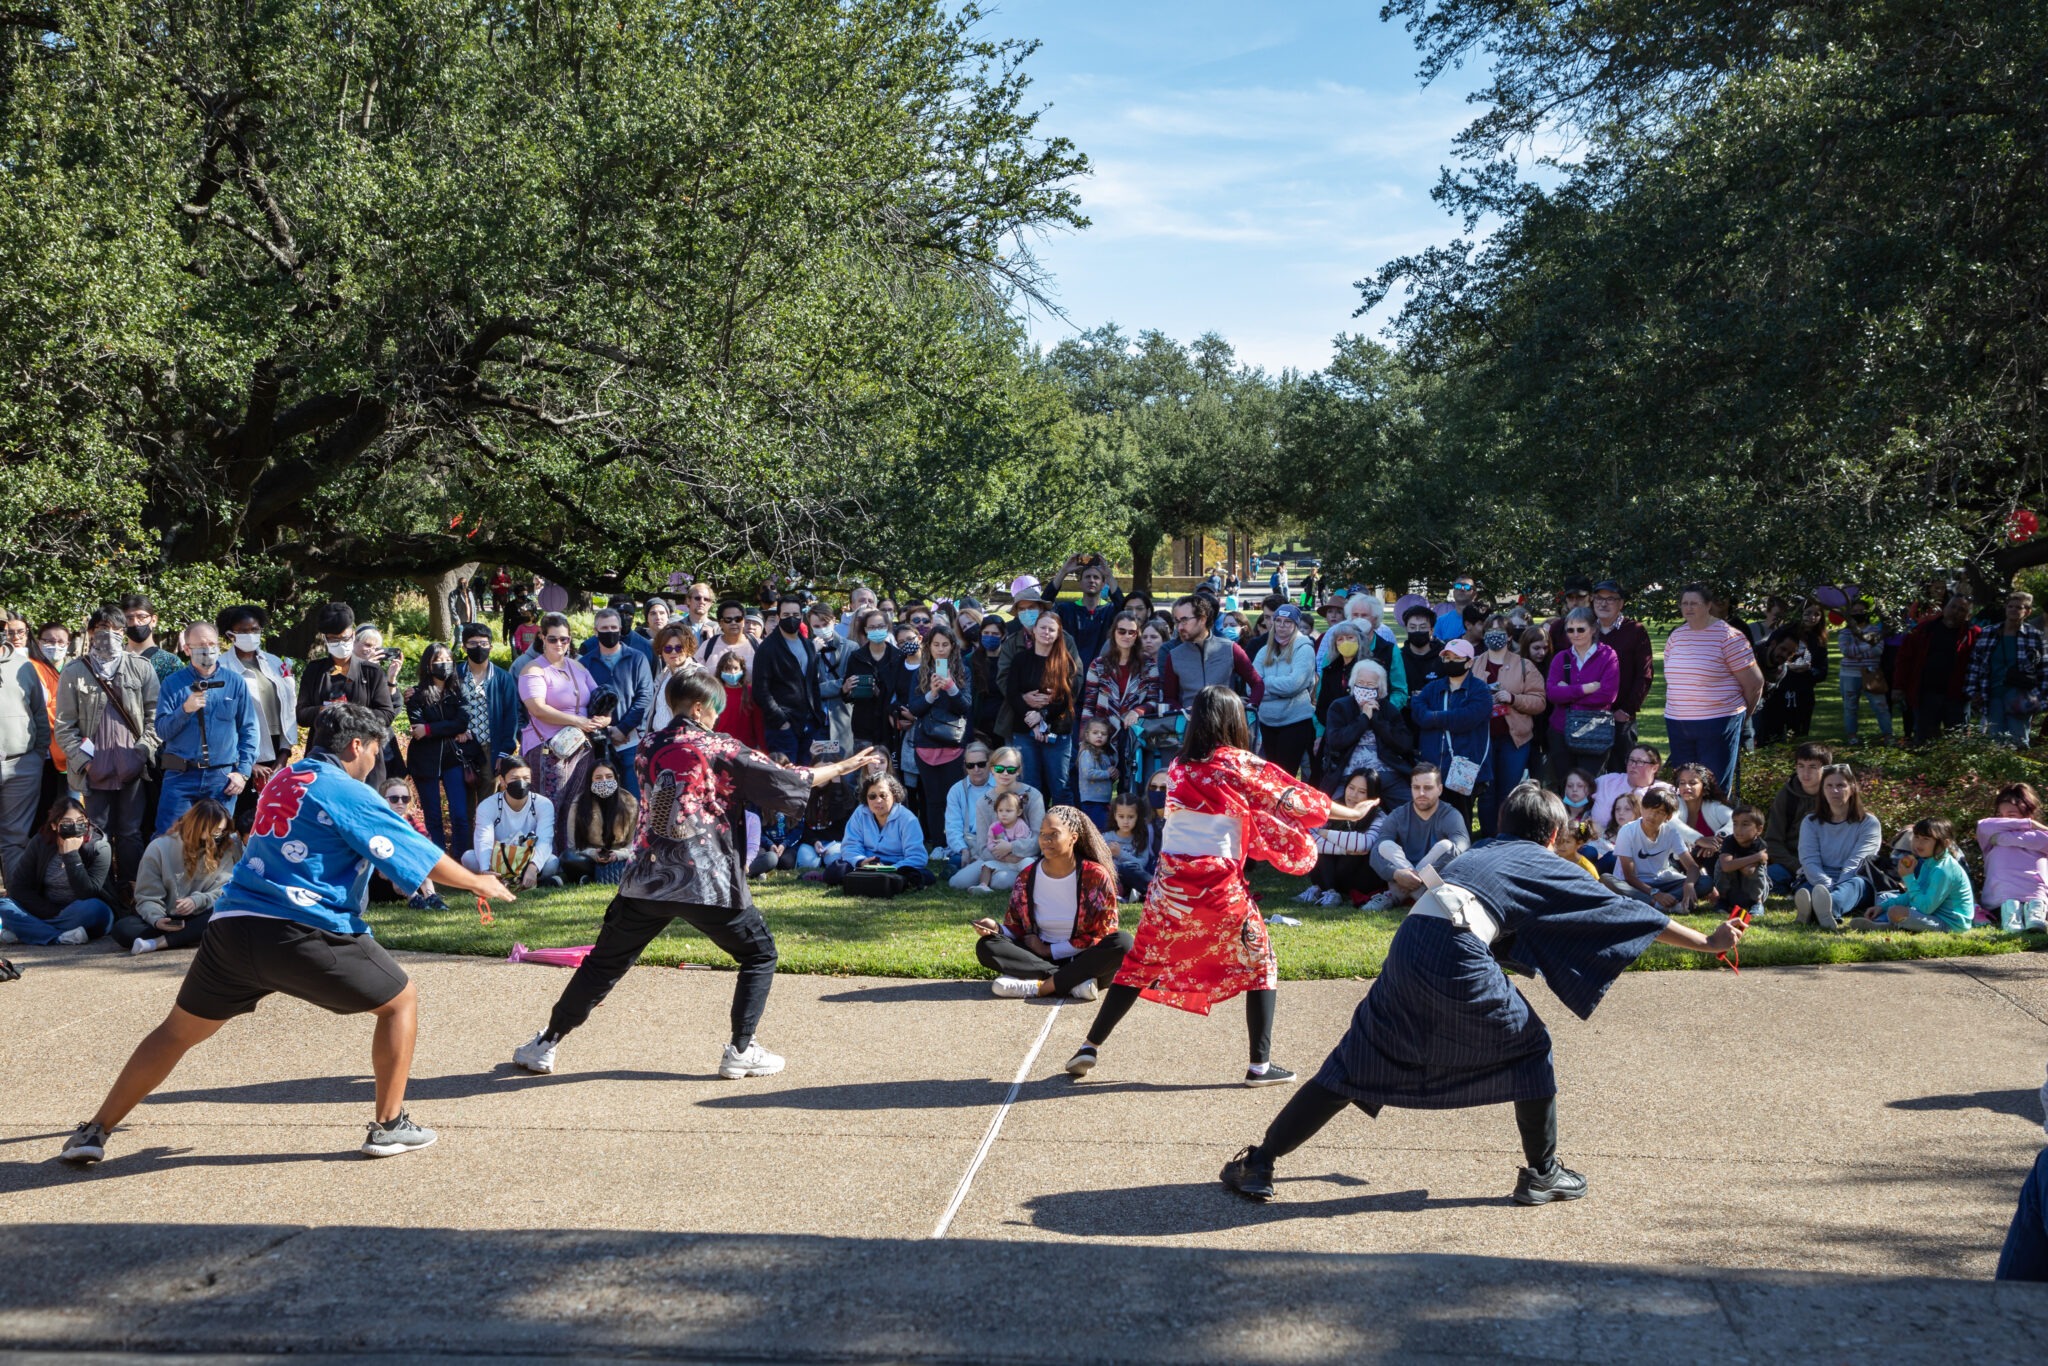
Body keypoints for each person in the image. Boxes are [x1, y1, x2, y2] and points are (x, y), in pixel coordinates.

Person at [1219, 782, 1746, 1205]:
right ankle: (1543, 1174)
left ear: (1503, 825)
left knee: (1356, 1059)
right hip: (1456, 944)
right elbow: (1629, 912)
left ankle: (1259, 1164)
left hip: (1412, 941)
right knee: (1530, 1047)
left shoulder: (1485, 851)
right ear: (1553, 832)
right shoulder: (1543, 861)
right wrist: (1709, 942)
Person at [59, 704, 516, 1165]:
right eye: (375, 752)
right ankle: (390, 1126)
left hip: (232, 929)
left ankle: (94, 1131)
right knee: (400, 1001)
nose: (376, 763)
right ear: (356, 746)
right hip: (302, 927)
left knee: (177, 1032)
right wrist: (479, 881)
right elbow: (411, 849)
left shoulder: (286, 776)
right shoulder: (344, 789)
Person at [510, 671, 882, 1080]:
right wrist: (844, 765)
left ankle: (545, 1043)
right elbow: (794, 778)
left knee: (603, 964)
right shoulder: (720, 745)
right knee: (759, 954)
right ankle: (741, 1049)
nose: (718, 717)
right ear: (702, 708)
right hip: (706, 877)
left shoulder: (648, 745)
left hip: (648, 876)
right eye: (717, 709)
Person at [1066, 686, 1370, 1086]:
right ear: (1232, 720)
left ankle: (1089, 1045)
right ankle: (1259, 1066)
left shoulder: (1178, 767)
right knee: (1262, 961)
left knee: (1141, 962)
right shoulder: (1236, 764)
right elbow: (1292, 796)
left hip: (1170, 887)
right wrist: (1352, 811)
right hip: (1217, 884)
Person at [973, 806, 1134, 999]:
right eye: (1042, 834)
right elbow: (1017, 927)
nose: (1045, 840)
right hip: (1038, 957)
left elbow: (1104, 932)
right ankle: (1074, 984)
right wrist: (997, 928)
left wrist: (1050, 950)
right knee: (987, 946)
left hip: (1084, 957)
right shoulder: (1027, 876)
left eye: (1054, 834)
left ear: (1073, 838)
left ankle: (1040, 987)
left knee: (1123, 943)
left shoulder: (1095, 875)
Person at [54, 609, 159, 884]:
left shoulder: (141, 667)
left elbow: (156, 716)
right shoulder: (74, 672)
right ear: (90, 632)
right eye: (102, 627)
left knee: (131, 833)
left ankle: (131, 892)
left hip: (133, 768)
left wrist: (142, 752)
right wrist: (86, 762)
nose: (108, 635)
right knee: (97, 834)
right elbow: (64, 725)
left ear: (123, 633)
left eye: (115, 629)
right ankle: (103, 893)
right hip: (94, 772)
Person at [154, 623, 259, 836]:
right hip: (181, 776)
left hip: (221, 777)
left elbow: (249, 729)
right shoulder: (173, 683)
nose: (207, 649)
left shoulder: (234, 682)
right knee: (170, 838)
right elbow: (162, 731)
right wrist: (184, 709)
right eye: (201, 645)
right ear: (187, 649)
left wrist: (243, 773)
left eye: (212, 644)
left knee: (218, 841)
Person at [1662, 583, 1763, 797]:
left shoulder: (1730, 637)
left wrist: (1744, 715)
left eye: (1694, 603)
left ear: (1708, 605)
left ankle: (1714, 829)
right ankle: (1688, 829)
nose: (1688, 608)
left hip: (1719, 721)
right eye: (1684, 603)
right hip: (1679, 723)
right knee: (1685, 786)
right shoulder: (1676, 637)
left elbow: (1755, 683)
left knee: (1713, 786)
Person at [517, 612, 602, 846]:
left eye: (564, 639)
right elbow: (538, 709)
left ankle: (569, 856)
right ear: (542, 638)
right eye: (553, 639)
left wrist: (604, 718)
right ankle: (544, 858)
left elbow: (598, 698)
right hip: (548, 748)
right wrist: (577, 721)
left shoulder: (578, 667)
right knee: (549, 805)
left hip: (581, 746)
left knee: (575, 802)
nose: (559, 644)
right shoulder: (533, 670)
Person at [115, 799, 240, 954]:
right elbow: (147, 896)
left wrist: (197, 901)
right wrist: (157, 919)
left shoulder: (225, 848)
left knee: (224, 913)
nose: (218, 836)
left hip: (202, 913)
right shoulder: (159, 847)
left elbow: (224, 892)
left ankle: (158, 943)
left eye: (221, 831)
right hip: (168, 918)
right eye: (214, 832)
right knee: (123, 929)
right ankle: (188, 936)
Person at [298, 602, 397, 789]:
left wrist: (349, 716)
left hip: (364, 755)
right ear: (325, 639)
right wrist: (324, 711)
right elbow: (301, 714)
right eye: (334, 639)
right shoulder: (314, 671)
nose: (340, 644)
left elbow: (387, 714)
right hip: (324, 756)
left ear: (353, 635)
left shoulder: (371, 671)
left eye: (344, 638)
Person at [0, 796, 120, 945]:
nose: (75, 826)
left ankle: (28, 931)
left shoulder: (99, 847)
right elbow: (18, 887)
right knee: (4, 905)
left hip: (81, 912)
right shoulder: (40, 842)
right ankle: (59, 937)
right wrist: (51, 911)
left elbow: (88, 893)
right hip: (46, 910)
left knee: (96, 909)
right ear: (54, 825)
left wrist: (71, 856)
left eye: (81, 821)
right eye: (67, 822)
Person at [216, 605, 298, 816]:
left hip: (276, 750)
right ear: (230, 634)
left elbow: (288, 707)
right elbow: (220, 720)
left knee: (273, 813)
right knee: (243, 814)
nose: (250, 635)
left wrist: (284, 754)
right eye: (243, 631)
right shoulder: (221, 666)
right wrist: (247, 764)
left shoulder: (273, 662)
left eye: (255, 629)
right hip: (239, 754)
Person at [906, 621, 972, 849]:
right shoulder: (920, 673)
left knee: (954, 799)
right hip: (926, 745)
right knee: (933, 799)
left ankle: (957, 843)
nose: (941, 649)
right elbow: (913, 709)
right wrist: (932, 693)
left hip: (953, 744)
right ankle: (938, 843)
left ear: (953, 647)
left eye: (945, 644)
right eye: (936, 645)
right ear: (929, 647)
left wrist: (951, 687)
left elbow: (965, 707)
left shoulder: (964, 672)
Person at [1004, 610, 1081, 805]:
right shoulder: (1021, 659)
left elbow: (1067, 697)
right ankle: (1032, 833)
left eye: (1052, 629)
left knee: (1060, 787)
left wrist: (1043, 716)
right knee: (1029, 788)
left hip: (1058, 731)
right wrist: (1032, 720)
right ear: (1034, 630)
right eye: (1043, 627)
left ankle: (1065, 832)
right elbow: (1012, 693)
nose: (1046, 632)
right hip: (1024, 729)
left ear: (1058, 634)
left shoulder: (1066, 662)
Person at [1410, 638, 1492, 824]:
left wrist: (1434, 717)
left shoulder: (1480, 690)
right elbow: (1418, 710)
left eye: (1456, 658)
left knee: (1459, 821)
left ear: (1469, 662)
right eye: (1447, 658)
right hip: (1433, 768)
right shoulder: (1433, 687)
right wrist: (1444, 717)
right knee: (1429, 820)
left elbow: (1466, 719)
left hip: (1462, 770)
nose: (1450, 662)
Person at [1366, 764, 1470, 909]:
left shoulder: (1450, 814)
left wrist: (1420, 877)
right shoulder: (1398, 814)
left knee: (1446, 846)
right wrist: (1396, 874)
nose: (1421, 793)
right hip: (1401, 878)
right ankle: (1420, 897)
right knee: (1384, 846)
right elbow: (1375, 853)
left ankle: (1397, 896)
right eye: (1416, 787)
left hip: (1432, 881)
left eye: (1427, 788)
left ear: (1439, 789)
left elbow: (1462, 847)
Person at [403, 644, 473, 857]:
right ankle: (439, 861)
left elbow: (462, 721)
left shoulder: (460, 690)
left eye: (447, 659)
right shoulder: (415, 694)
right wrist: (448, 728)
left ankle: (463, 858)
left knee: (460, 813)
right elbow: (417, 728)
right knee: (432, 815)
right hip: (424, 761)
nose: (444, 664)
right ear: (428, 664)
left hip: (453, 758)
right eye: (438, 660)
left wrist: (431, 729)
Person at [1794, 763, 1882, 928]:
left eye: (1841, 785)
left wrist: (1835, 889)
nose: (1835, 791)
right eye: (1829, 786)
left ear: (1852, 788)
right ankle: (1819, 908)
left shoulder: (1869, 823)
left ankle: (1822, 909)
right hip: (1818, 879)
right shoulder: (1810, 822)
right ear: (1823, 790)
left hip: (1853, 878)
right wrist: (1826, 885)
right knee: (1810, 889)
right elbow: (1809, 860)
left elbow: (1858, 861)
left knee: (1854, 887)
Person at [1847, 818, 1972, 933]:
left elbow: (1925, 908)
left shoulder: (1944, 870)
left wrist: (1908, 877)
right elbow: (1913, 895)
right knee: (1886, 897)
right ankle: (1886, 922)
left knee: (1895, 911)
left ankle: (1883, 922)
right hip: (1932, 913)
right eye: (1916, 837)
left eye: (1926, 839)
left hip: (1950, 925)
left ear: (1945, 843)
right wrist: (1881, 907)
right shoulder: (1929, 862)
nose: (1919, 843)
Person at [1543, 607, 1620, 791]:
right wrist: (1585, 688)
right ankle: (1566, 821)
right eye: (1570, 629)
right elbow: (1552, 693)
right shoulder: (1561, 658)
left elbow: (1608, 695)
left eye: (1581, 629)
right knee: (1565, 786)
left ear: (1593, 629)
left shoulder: (1608, 656)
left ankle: (1588, 821)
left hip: (1594, 730)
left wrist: (1568, 694)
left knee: (1590, 786)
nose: (1575, 634)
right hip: (1561, 730)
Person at [580, 607, 656, 795]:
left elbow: (645, 697)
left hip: (631, 739)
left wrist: (622, 729)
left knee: (632, 794)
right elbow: (581, 701)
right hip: (598, 742)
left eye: (614, 627)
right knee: (604, 796)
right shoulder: (584, 663)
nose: (610, 632)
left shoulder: (637, 658)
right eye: (604, 628)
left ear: (621, 629)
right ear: (595, 631)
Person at [1082, 611, 1159, 791]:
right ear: (1113, 632)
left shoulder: (1148, 665)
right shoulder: (1098, 665)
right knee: (1096, 790)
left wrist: (1137, 711)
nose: (1126, 636)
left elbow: (1154, 700)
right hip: (1102, 734)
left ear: (1137, 635)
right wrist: (1083, 741)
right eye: (1121, 631)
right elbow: (1089, 705)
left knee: (1130, 787)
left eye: (1131, 632)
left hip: (1134, 735)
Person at [1317, 659, 1415, 798]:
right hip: (1348, 774)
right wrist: (1363, 718)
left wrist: (1376, 719)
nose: (1364, 688)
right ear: (1353, 684)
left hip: (1386, 773)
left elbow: (1404, 744)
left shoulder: (1388, 709)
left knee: (1412, 806)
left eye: (1370, 685)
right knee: (1330, 813)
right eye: (1360, 683)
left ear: (1379, 689)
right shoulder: (1339, 706)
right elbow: (1336, 741)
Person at [1158, 595, 1264, 717]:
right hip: (1189, 727)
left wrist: (1250, 709)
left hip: (1227, 724)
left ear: (1202, 619)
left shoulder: (1230, 648)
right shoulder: (1174, 655)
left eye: (1184, 620)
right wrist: (1183, 712)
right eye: (1177, 621)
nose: (1180, 627)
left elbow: (1257, 683)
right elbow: (1169, 698)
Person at [1586, 581, 1654, 773]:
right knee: (1591, 775)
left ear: (1621, 603)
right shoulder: (1586, 630)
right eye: (1599, 598)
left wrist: (1627, 710)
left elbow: (1645, 674)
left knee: (1624, 773)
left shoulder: (1635, 631)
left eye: (1611, 599)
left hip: (1621, 717)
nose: (1603, 604)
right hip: (1589, 716)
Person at [0, 620, 51, 874]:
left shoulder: (23, 666)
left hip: (22, 766)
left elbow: (39, 713)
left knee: (16, 840)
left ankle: (15, 906)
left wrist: (36, 756)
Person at [824, 771, 933, 888]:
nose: (878, 800)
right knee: (836, 870)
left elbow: (917, 857)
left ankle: (868, 880)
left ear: (894, 796)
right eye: (872, 796)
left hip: (896, 866)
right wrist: (861, 861)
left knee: (922, 875)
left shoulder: (908, 819)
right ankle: (878, 880)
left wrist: (891, 868)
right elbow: (850, 846)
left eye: (883, 795)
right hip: (865, 865)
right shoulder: (860, 813)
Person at [463, 757, 562, 887]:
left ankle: (519, 880)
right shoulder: (487, 805)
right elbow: (483, 839)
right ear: (502, 781)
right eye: (515, 779)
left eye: (526, 778)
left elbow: (545, 839)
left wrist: (533, 867)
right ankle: (524, 881)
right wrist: (486, 869)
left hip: (527, 860)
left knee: (552, 862)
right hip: (497, 860)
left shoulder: (543, 804)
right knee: (468, 858)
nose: (521, 783)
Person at [1895, 593, 1978, 745]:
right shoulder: (1922, 631)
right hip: (1926, 694)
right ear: (1944, 608)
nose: (1955, 611)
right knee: (1924, 739)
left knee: (1957, 741)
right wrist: (1899, 686)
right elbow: (1904, 660)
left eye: (1961, 609)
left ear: (1968, 615)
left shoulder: (1974, 634)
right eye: (1952, 606)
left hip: (1958, 696)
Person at [1298, 770, 1385, 908]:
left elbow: (1364, 844)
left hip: (1358, 876)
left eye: (1362, 791)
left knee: (1350, 847)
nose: (1353, 795)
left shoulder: (1379, 816)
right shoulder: (1335, 808)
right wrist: (1345, 848)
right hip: (1332, 871)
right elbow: (1308, 838)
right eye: (1351, 788)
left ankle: (1328, 890)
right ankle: (1328, 891)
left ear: (1372, 796)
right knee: (1324, 850)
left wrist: (1325, 834)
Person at [753, 594, 825, 762]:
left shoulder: (808, 645)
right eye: (786, 615)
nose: (791, 619)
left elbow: (812, 682)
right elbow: (760, 691)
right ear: (778, 617)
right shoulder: (768, 648)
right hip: (782, 727)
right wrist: (781, 721)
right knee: (787, 779)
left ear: (801, 616)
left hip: (809, 723)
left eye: (795, 615)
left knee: (809, 775)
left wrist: (818, 714)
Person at [1969, 589, 2043, 747]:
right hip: (1993, 693)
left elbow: (2042, 668)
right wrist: (1973, 690)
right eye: (2010, 606)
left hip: (2020, 696)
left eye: (2019, 607)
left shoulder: (2033, 635)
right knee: (1996, 741)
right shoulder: (1989, 632)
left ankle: (2017, 771)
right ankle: (1998, 772)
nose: (2014, 610)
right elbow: (1976, 663)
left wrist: (2040, 697)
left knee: (2019, 740)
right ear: (2005, 608)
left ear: (2027, 612)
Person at [1253, 604, 1319, 781]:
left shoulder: (1304, 648)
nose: (1282, 626)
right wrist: (1280, 690)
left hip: (1294, 721)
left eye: (1288, 622)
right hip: (1267, 721)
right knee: (1270, 777)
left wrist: (1265, 686)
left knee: (1286, 776)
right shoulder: (1264, 650)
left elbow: (1294, 683)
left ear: (1296, 625)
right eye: (1278, 621)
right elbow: (1251, 685)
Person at [1975, 783, 2048, 933]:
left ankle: (2035, 917)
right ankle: (2012, 919)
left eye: (2011, 816)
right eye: (2000, 816)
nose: (2004, 821)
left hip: (2035, 894)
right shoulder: (1988, 832)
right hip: (2001, 898)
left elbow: (2043, 840)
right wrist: (2029, 824)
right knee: (2010, 902)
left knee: (2036, 900)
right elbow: (1983, 826)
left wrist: (2003, 839)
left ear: (2028, 812)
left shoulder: (2041, 835)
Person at [1614, 786, 1700, 910]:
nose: (1652, 815)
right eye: (1648, 809)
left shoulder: (1671, 832)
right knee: (1608, 881)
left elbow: (1692, 866)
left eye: (1659, 812)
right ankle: (1664, 904)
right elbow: (1629, 876)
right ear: (1642, 809)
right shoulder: (1627, 831)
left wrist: (1689, 885)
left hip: (1661, 880)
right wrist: (1655, 893)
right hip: (1634, 884)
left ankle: (1665, 901)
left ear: (1668, 817)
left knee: (1704, 882)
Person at [453, 622, 522, 770]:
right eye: (472, 643)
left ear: (490, 646)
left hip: (491, 748)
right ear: (464, 647)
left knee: (489, 792)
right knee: (463, 792)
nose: (479, 647)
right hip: (461, 747)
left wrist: (504, 752)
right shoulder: (455, 675)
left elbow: (511, 716)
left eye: (483, 643)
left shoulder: (503, 678)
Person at [561, 759, 639, 886]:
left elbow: (634, 845)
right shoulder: (578, 804)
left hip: (621, 857)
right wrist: (592, 853)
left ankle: (588, 878)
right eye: (598, 778)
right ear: (590, 781)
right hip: (590, 857)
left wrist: (617, 855)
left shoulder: (630, 803)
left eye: (609, 777)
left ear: (616, 778)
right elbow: (572, 846)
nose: (604, 781)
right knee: (568, 858)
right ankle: (596, 875)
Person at [1046, 554, 1125, 666]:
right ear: (1080, 583)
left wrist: (1109, 575)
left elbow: (1124, 608)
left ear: (1103, 584)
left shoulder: (1110, 611)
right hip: (1071, 672)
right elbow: (1045, 603)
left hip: (1101, 673)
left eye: (1096, 577)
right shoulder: (1066, 610)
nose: (1092, 580)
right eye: (1087, 577)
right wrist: (1063, 571)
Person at [1836, 600, 1894, 745]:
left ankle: (1888, 735)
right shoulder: (1845, 631)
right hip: (1849, 674)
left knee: (1881, 706)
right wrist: (1868, 644)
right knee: (1850, 707)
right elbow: (1846, 651)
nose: (1858, 614)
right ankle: (1852, 736)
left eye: (1861, 611)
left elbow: (1878, 650)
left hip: (1872, 673)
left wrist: (1857, 650)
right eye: (1855, 611)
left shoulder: (1876, 630)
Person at [941, 741, 996, 875]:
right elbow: (952, 827)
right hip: (968, 843)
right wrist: (963, 850)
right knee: (957, 860)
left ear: (989, 763)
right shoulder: (956, 790)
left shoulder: (1000, 786)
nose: (976, 769)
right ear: (965, 766)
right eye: (971, 766)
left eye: (981, 764)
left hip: (994, 842)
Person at [1713, 805, 1770, 913]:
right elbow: (1726, 866)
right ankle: (1723, 900)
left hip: (1750, 892)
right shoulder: (1729, 841)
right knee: (1720, 863)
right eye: (1735, 824)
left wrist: (1733, 862)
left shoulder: (1760, 845)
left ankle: (1757, 903)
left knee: (1758, 868)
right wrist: (1756, 857)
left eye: (1745, 824)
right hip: (1732, 890)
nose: (1738, 829)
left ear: (1759, 829)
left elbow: (1749, 871)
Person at [1102, 794, 1156, 899]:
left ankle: (1153, 889)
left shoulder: (1140, 837)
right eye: (1121, 816)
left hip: (1132, 875)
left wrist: (1120, 853)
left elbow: (1142, 863)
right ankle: (1128, 893)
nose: (1125, 821)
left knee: (1128, 868)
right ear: (1114, 816)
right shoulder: (1106, 838)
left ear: (1137, 817)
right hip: (1113, 876)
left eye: (1131, 817)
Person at [710, 648, 765, 750]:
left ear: (742, 670)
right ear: (721, 670)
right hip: (720, 748)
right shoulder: (714, 693)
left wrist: (763, 748)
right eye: (728, 668)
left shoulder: (750, 692)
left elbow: (758, 723)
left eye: (736, 668)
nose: (732, 672)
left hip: (746, 748)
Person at [1075, 718, 1117, 830]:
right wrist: (1107, 774)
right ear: (1087, 735)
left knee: (1103, 828)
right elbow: (1088, 773)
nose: (1099, 736)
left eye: (1103, 734)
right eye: (1095, 733)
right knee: (1095, 830)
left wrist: (1114, 774)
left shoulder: (1105, 755)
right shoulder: (1086, 753)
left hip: (1103, 800)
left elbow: (1107, 775)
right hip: (1091, 801)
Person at [696, 598, 756, 669]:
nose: (733, 623)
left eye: (738, 619)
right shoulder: (707, 646)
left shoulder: (757, 645)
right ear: (720, 623)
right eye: (728, 620)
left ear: (743, 622)